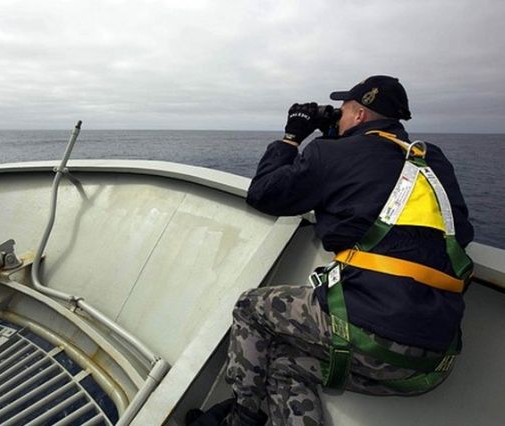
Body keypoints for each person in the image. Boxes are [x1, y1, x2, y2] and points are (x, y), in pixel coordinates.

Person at [187, 76, 474, 426]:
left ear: (359, 115)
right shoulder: (432, 161)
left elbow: (264, 193)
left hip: (371, 329)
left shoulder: (331, 154)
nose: (337, 118)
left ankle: (240, 418)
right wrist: (333, 139)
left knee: (250, 307)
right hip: (435, 353)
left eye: (342, 112)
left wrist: (292, 137)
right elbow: (462, 230)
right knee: (283, 363)